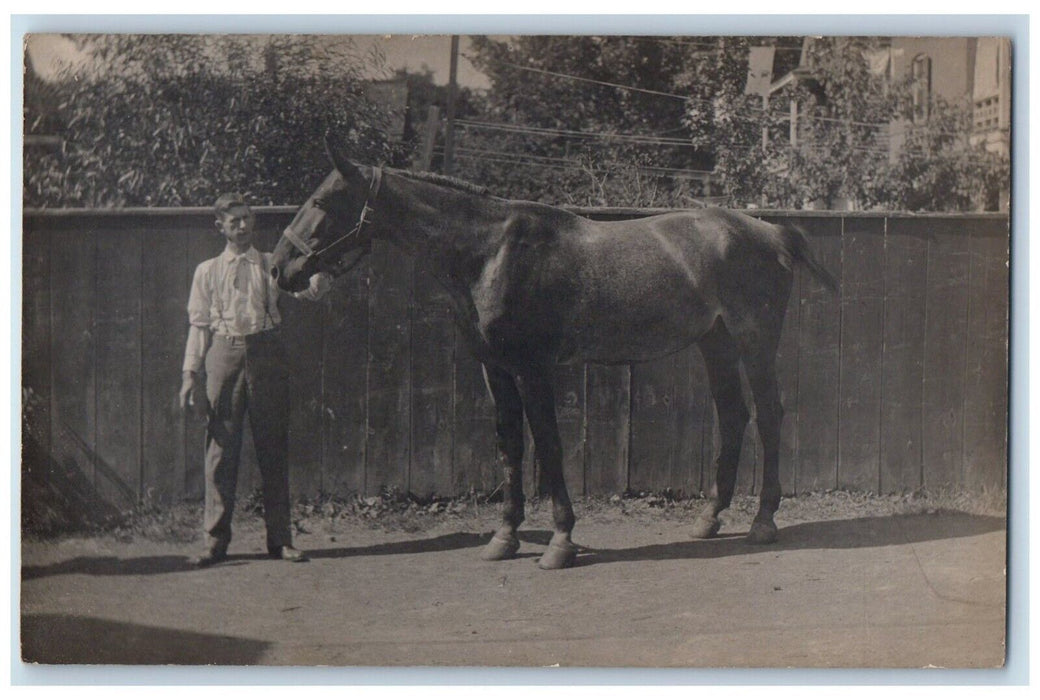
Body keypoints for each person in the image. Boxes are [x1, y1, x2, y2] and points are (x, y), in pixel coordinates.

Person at [179, 192, 332, 567]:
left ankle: (280, 540)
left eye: (247, 219)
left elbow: (306, 293)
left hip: (268, 355)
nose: (243, 226)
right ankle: (214, 542)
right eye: (234, 221)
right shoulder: (207, 271)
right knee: (220, 452)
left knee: (273, 448)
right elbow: (198, 329)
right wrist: (189, 375)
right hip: (223, 354)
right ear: (221, 227)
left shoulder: (272, 264)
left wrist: (323, 278)